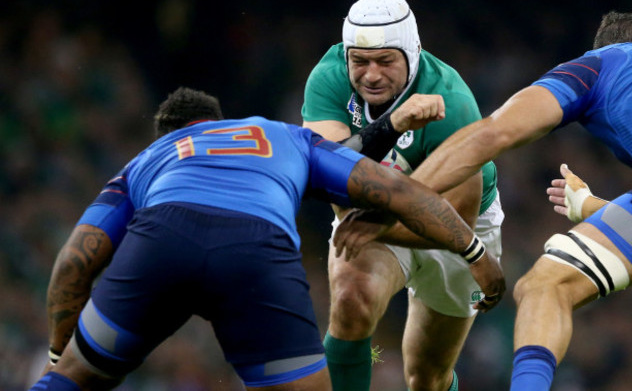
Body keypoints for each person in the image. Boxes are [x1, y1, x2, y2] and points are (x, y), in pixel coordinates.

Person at [30, 87, 505, 391]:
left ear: (172, 135)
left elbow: (75, 261)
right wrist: (474, 251)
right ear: (218, 121)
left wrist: (59, 356)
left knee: (73, 379)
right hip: (254, 253)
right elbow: (400, 192)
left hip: (159, 244)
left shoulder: (150, 157)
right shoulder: (283, 137)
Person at [409, 10, 632, 390]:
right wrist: (588, 206)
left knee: (545, 286)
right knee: (548, 282)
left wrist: (398, 197)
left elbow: (494, 133)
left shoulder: (606, 62)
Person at [301, 0, 504, 391]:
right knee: (350, 298)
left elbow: (456, 222)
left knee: (427, 377)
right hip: (373, 214)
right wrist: (393, 124)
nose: (371, 75)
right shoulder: (327, 79)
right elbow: (330, 178)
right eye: (359, 61)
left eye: (386, 61)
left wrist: (381, 226)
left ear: (413, 53)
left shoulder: (453, 102)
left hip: (455, 230)